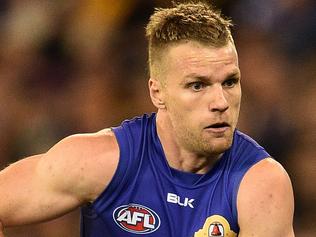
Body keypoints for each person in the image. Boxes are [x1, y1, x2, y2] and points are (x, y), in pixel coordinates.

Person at [0, 2, 294, 237]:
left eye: (230, 82)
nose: (220, 102)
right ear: (158, 92)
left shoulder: (260, 185)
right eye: (197, 85)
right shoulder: (101, 161)